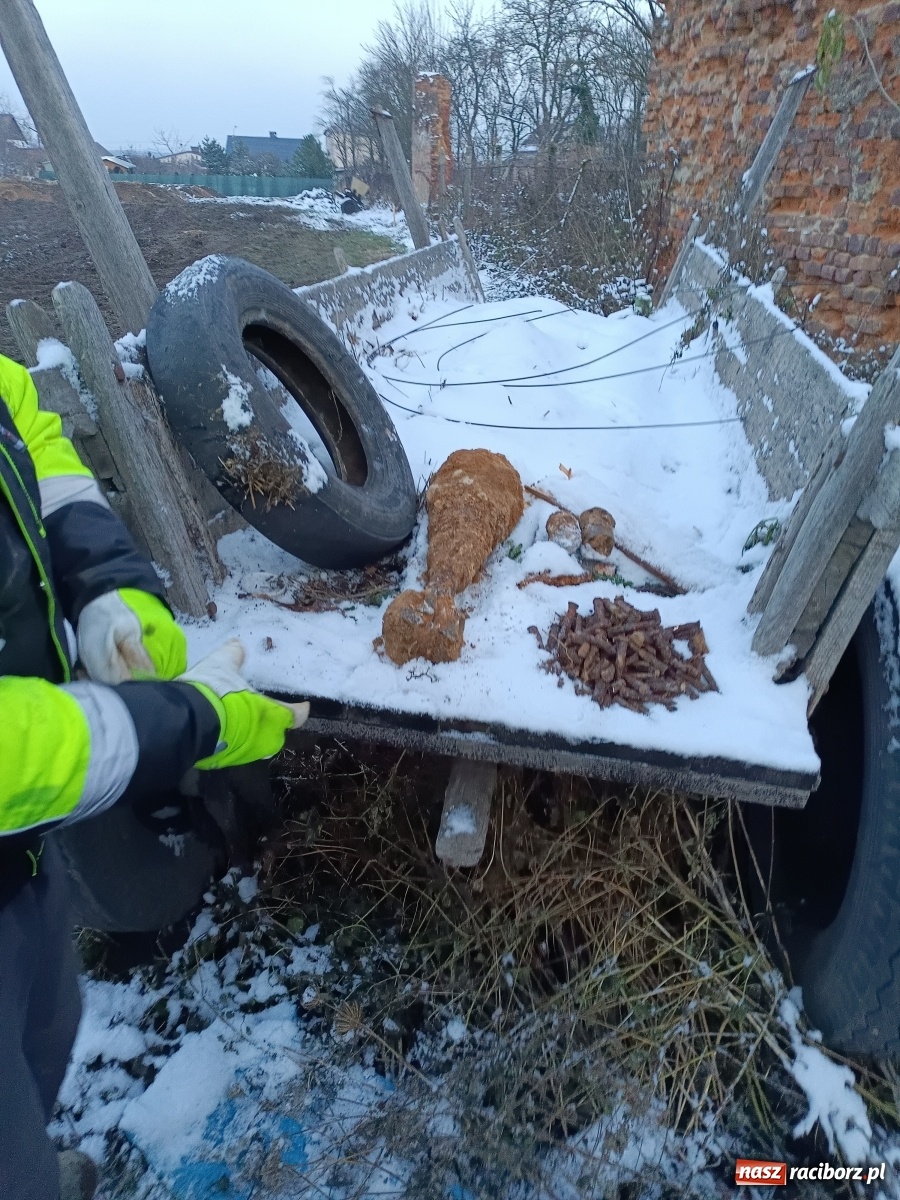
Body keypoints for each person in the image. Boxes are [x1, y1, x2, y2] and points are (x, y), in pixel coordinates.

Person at [0, 351, 308, 1200]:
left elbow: (36, 444)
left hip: (22, 848)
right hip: (26, 777)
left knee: (46, 1025)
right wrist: (187, 724)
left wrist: (111, 590)